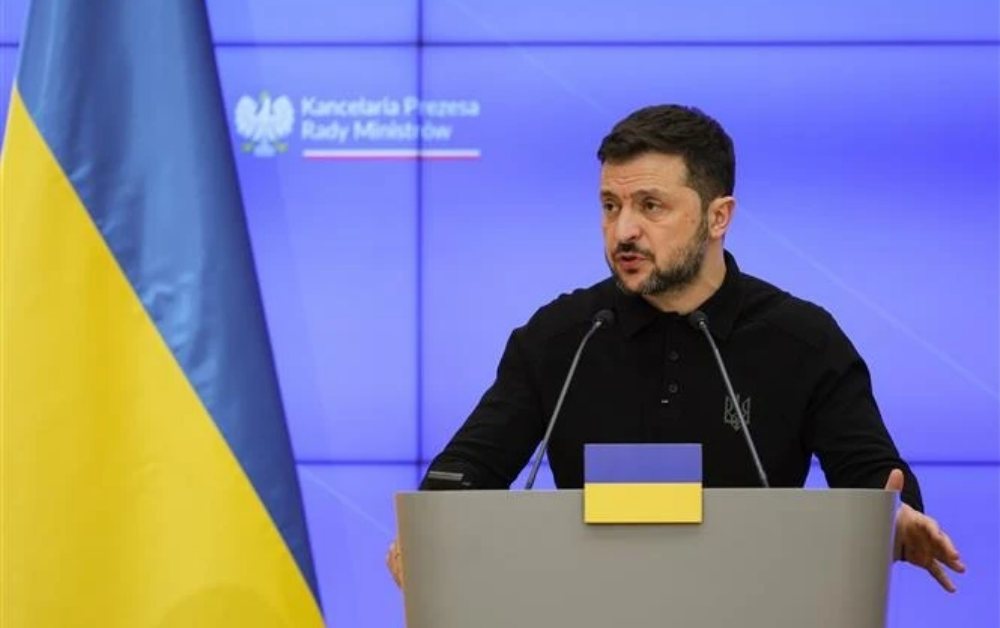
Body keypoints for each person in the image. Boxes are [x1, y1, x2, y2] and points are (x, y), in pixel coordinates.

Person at [387, 104, 965, 592]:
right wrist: (428, 533)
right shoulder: (564, 336)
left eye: (650, 206)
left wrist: (895, 521)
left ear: (718, 217)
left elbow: (875, 480)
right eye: (610, 206)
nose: (623, 231)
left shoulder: (802, 339)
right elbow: (464, 472)